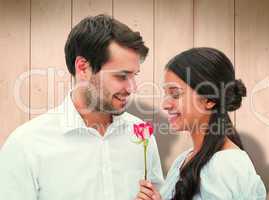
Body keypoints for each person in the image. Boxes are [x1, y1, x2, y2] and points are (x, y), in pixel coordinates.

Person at [0, 14, 164, 200]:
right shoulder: (26, 145)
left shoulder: (142, 135)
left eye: (134, 75)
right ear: (83, 67)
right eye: (121, 76)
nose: (132, 88)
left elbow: (159, 192)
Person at [136, 47, 266, 200]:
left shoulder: (226, 165)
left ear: (209, 99)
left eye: (175, 94)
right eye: (166, 94)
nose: (165, 104)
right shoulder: (184, 160)